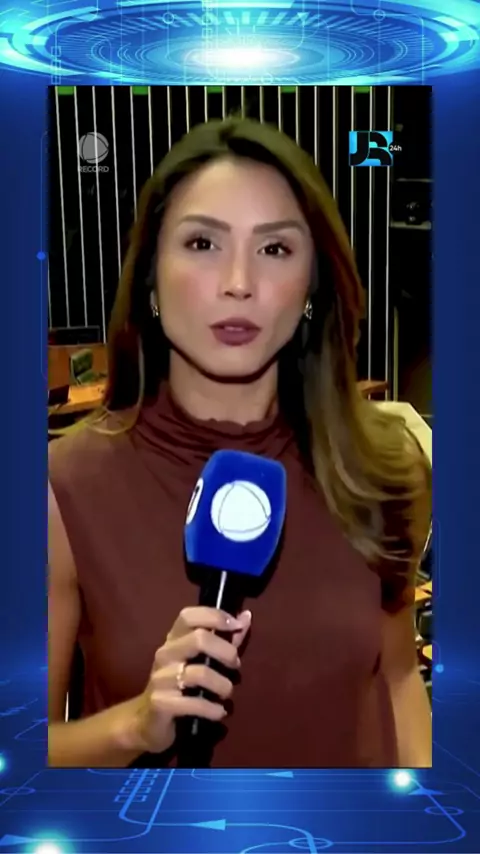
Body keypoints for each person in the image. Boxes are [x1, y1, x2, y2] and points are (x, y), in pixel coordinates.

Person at [48, 116, 432, 768]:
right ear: (150, 277)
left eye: (275, 249)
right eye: (202, 242)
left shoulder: (383, 466)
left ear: (312, 287)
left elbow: (397, 680)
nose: (238, 282)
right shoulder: (63, 490)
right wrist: (131, 727)